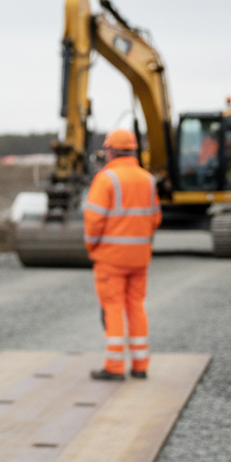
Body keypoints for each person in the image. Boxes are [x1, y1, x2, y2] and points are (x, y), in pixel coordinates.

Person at [82, 128, 162, 381]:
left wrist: (92, 247)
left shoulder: (106, 179)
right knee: (136, 306)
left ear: (111, 151)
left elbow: (93, 221)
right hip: (140, 258)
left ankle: (115, 366)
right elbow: (155, 218)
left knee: (113, 307)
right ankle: (140, 365)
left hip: (111, 259)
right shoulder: (147, 180)